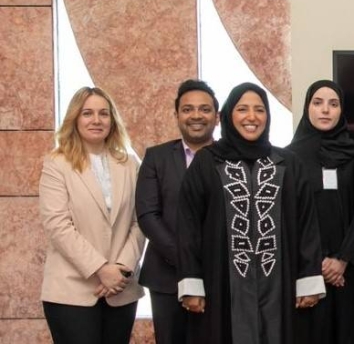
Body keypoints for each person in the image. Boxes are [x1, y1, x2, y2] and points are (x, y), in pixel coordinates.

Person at [176, 82, 325, 344]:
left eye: (259, 110)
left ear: (267, 116)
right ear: (228, 115)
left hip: (280, 287)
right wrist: (191, 283)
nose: (252, 117)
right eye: (242, 109)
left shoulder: (288, 164)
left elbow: (307, 226)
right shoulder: (207, 163)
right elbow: (189, 227)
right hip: (221, 285)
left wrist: (308, 278)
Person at [39, 86, 145, 343]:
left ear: (113, 120)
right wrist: (100, 268)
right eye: (87, 113)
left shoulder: (130, 164)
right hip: (71, 290)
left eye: (103, 113)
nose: (96, 120)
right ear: (75, 119)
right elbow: (58, 224)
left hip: (121, 289)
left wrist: (122, 268)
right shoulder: (57, 163)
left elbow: (141, 220)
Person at [287, 80, 354, 343]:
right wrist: (320, 261)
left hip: (350, 268)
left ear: (341, 112)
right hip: (308, 269)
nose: (325, 110)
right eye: (318, 103)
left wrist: (342, 259)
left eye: (333, 104)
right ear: (307, 108)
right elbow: (290, 216)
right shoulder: (289, 159)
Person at [136, 79, 219, 344]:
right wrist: (185, 260)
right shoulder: (156, 157)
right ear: (177, 116)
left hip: (220, 276)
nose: (196, 115)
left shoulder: (231, 158)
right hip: (166, 277)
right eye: (188, 109)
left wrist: (209, 262)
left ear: (217, 117)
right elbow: (148, 215)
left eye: (205, 109)